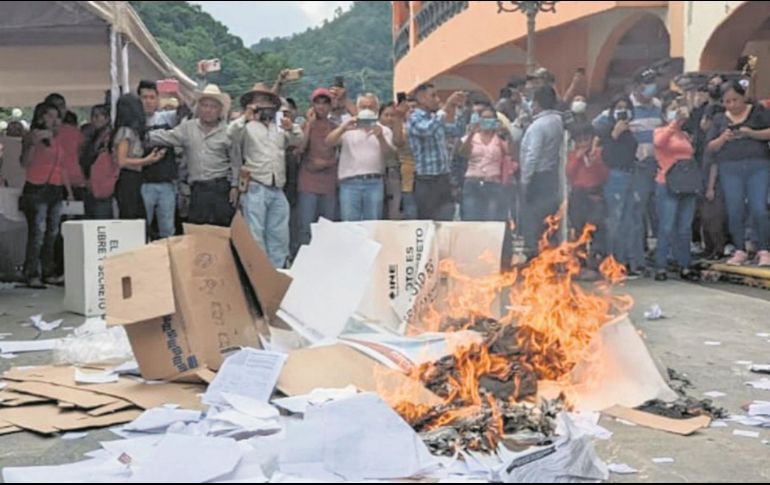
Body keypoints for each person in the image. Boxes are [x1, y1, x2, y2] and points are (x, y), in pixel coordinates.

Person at [229, 83, 304, 269]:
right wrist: (245, 117)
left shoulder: (279, 125)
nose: (263, 104)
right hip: (255, 185)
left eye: (267, 101)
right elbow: (230, 135)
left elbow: (298, 140)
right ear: (251, 104)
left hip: (277, 186)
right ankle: (259, 274)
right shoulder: (246, 125)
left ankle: (279, 272)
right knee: (256, 234)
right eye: (258, 101)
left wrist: (290, 126)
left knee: (279, 234)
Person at [149, 85, 238, 227]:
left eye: (213, 106)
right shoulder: (187, 128)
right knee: (197, 231)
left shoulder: (228, 131)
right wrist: (138, 134)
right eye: (204, 105)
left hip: (222, 188)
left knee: (223, 231)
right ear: (199, 107)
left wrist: (235, 186)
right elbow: (166, 136)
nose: (208, 110)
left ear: (220, 110)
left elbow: (236, 161)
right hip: (198, 189)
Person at [706, 80, 770, 266]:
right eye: (727, 102)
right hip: (730, 168)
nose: (732, 105)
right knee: (735, 210)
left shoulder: (758, 111)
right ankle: (739, 248)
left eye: (735, 100)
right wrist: (723, 138)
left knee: (759, 208)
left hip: (758, 165)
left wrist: (751, 133)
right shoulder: (719, 119)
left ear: (743, 97)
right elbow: (710, 147)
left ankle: (763, 248)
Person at [19, 102, 73, 288]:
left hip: (55, 188)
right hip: (37, 187)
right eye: (50, 116)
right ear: (41, 117)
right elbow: (25, 162)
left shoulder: (58, 139)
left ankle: (48, 271)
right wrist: (33, 143)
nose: (54, 120)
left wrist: (69, 192)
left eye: (57, 117)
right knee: (38, 231)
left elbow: (62, 166)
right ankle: (32, 272)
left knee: (53, 231)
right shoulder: (34, 135)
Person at [326, 96, 395, 222]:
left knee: (373, 224)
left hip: (374, 182)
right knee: (349, 225)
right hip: (350, 183)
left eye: (371, 107)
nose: (367, 110)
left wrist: (380, 137)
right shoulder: (348, 127)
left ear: (377, 110)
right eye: (363, 107)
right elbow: (328, 142)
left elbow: (390, 156)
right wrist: (343, 128)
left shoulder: (384, 130)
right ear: (358, 109)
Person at [653, 99, 699, 281]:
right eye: (672, 109)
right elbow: (659, 143)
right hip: (667, 183)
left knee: (685, 228)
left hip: (687, 184)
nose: (676, 112)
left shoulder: (685, 136)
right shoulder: (661, 131)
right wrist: (675, 123)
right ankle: (661, 265)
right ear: (664, 114)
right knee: (666, 225)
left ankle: (684, 264)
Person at [407, 84, 466, 220]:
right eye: (433, 96)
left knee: (446, 219)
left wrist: (459, 108)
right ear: (421, 99)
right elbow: (427, 130)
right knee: (427, 221)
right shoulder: (414, 118)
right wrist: (446, 107)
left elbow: (457, 131)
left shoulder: (436, 119)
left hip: (443, 178)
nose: (437, 99)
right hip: (426, 180)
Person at [519, 85, 565, 257]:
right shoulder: (558, 121)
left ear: (536, 103)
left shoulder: (539, 126)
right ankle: (548, 256)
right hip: (551, 175)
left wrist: (525, 180)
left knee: (534, 218)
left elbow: (532, 155)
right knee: (549, 219)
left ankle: (535, 256)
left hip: (538, 177)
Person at [295, 88, 339, 247]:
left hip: (328, 182)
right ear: (312, 105)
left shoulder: (335, 127)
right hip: (308, 182)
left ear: (330, 106)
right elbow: (300, 148)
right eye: (317, 103)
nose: (321, 107)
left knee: (327, 227)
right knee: (305, 226)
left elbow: (340, 153)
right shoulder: (304, 126)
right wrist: (309, 125)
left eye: (325, 103)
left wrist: (325, 163)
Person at [113, 94, 166, 221]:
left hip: (135, 178)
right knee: (132, 219)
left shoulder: (133, 131)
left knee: (139, 219)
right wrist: (146, 160)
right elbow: (122, 161)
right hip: (127, 179)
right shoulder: (126, 131)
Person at [458, 105, 515, 221]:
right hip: (473, 182)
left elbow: (511, 153)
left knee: (492, 219)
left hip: (493, 183)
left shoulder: (499, 139)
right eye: (484, 118)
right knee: (471, 219)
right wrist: (471, 133)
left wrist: (506, 133)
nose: (486, 121)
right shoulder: (472, 137)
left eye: (490, 119)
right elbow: (463, 153)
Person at [600, 96, 638, 270]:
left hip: (630, 175)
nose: (622, 111)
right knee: (614, 220)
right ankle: (610, 260)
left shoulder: (631, 131)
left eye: (626, 108)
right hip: (614, 176)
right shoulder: (606, 129)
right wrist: (614, 134)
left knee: (628, 221)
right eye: (619, 108)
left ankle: (623, 260)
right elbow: (605, 155)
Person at [139, 80, 179, 239]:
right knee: (142, 229)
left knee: (168, 230)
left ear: (157, 99)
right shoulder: (135, 121)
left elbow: (188, 111)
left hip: (166, 183)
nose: (148, 101)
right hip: (143, 182)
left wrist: (176, 93)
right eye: (144, 97)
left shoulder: (167, 118)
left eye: (151, 97)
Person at [566, 123, 608, 260]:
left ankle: (597, 257)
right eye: (580, 140)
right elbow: (569, 174)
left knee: (597, 227)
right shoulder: (573, 156)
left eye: (586, 140)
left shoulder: (599, 154)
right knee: (578, 229)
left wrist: (596, 162)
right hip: (578, 196)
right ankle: (580, 260)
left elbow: (604, 176)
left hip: (594, 195)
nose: (583, 143)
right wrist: (578, 158)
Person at [79, 104, 114, 219]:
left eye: (98, 116)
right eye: (93, 116)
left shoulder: (110, 137)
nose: (94, 119)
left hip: (103, 184)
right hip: (91, 183)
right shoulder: (92, 135)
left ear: (107, 118)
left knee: (101, 221)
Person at [380, 102, 407, 219]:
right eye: (386, 115)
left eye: (393, 115)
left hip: (395, 172)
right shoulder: (375, 130)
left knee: (394, 209)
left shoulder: (403, 131)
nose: (390, 118)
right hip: (379, 172)